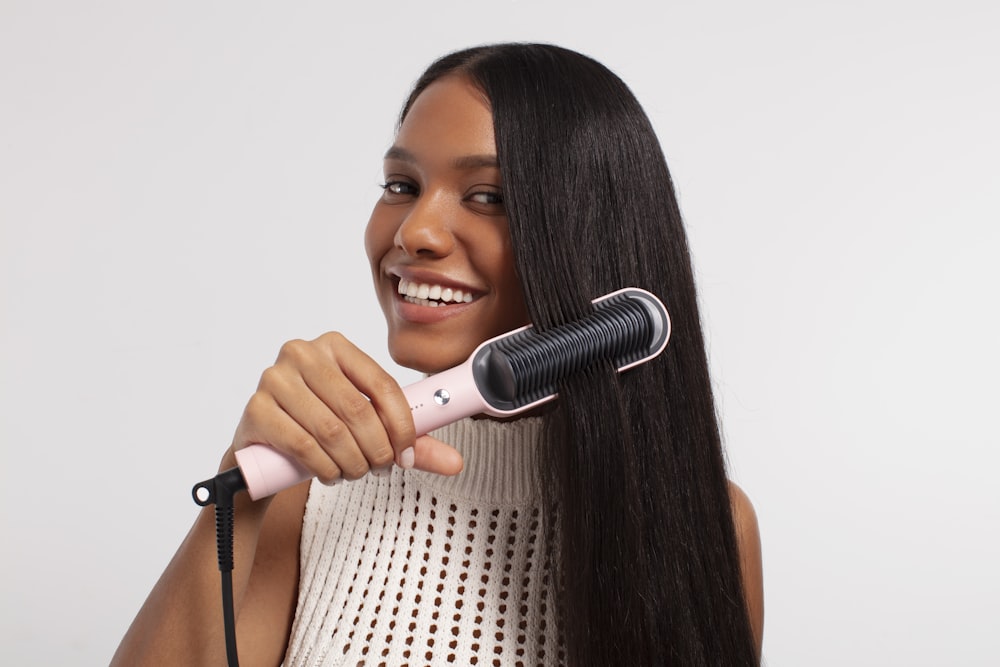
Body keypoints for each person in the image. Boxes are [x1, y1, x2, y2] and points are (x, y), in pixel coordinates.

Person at [112, 43, 763, 666]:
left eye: (488, 197)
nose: (412, 231)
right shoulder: (305, 496)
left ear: (590, 236)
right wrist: (239, 490)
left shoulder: (707, 524)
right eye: (400, 184)